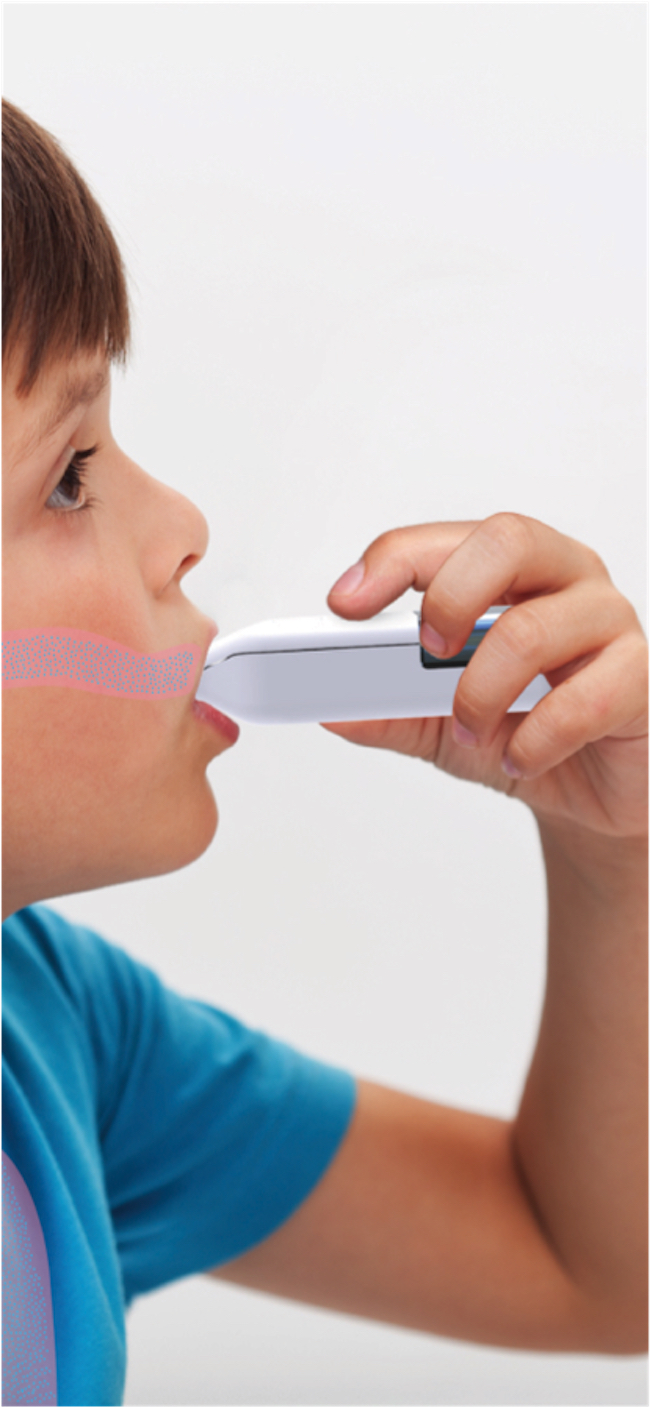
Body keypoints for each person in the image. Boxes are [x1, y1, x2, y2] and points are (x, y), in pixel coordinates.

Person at [2, 97, 647, 1408]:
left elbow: (587, 1265)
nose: (181, 521)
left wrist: (609, 854)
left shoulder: (54, 1031)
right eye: (68, 477)